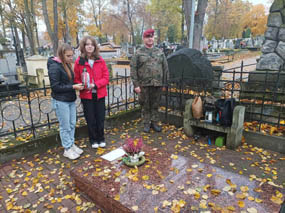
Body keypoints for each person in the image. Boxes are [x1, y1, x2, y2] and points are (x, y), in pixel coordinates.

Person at [48, 43, 84, 160]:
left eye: (71, 55)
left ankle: (71, 144)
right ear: (61, 55)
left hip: (69, 99)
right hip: (61, 101)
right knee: (65, 126)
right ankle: (67, 149)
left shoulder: (66, 64)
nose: (71, 58)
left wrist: (75, 85)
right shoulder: (54, 67)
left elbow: (67, 82)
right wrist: (73, 87)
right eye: (68, 56)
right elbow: (56, 87)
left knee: (72, 123)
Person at [130, 29, 169, 133]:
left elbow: (165, 68)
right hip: (143, 84)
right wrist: (136, 85)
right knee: (145, 104)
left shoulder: (160, 52)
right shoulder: (138, 53)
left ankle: (154, 122)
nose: (150, 39)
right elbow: (133, 69)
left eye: (151, 37)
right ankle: (146, 123)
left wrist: (165, 83)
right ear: (144, 39)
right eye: (147, 37)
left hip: (157, 83)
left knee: (155, 104)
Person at [74, 36, 109, 148]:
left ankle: (101, 138)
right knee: (90, 118)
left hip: (99, 94)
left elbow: (106, 77)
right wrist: (82, 85)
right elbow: (76, 78)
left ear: (95, 47)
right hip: (87, 95)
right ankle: (93, 139)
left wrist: (96, 84)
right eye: (87, 44)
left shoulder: (100, 60)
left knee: (100, 117)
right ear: (83, 47)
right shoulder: (79, 62)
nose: (90, 46)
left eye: (92, 44)